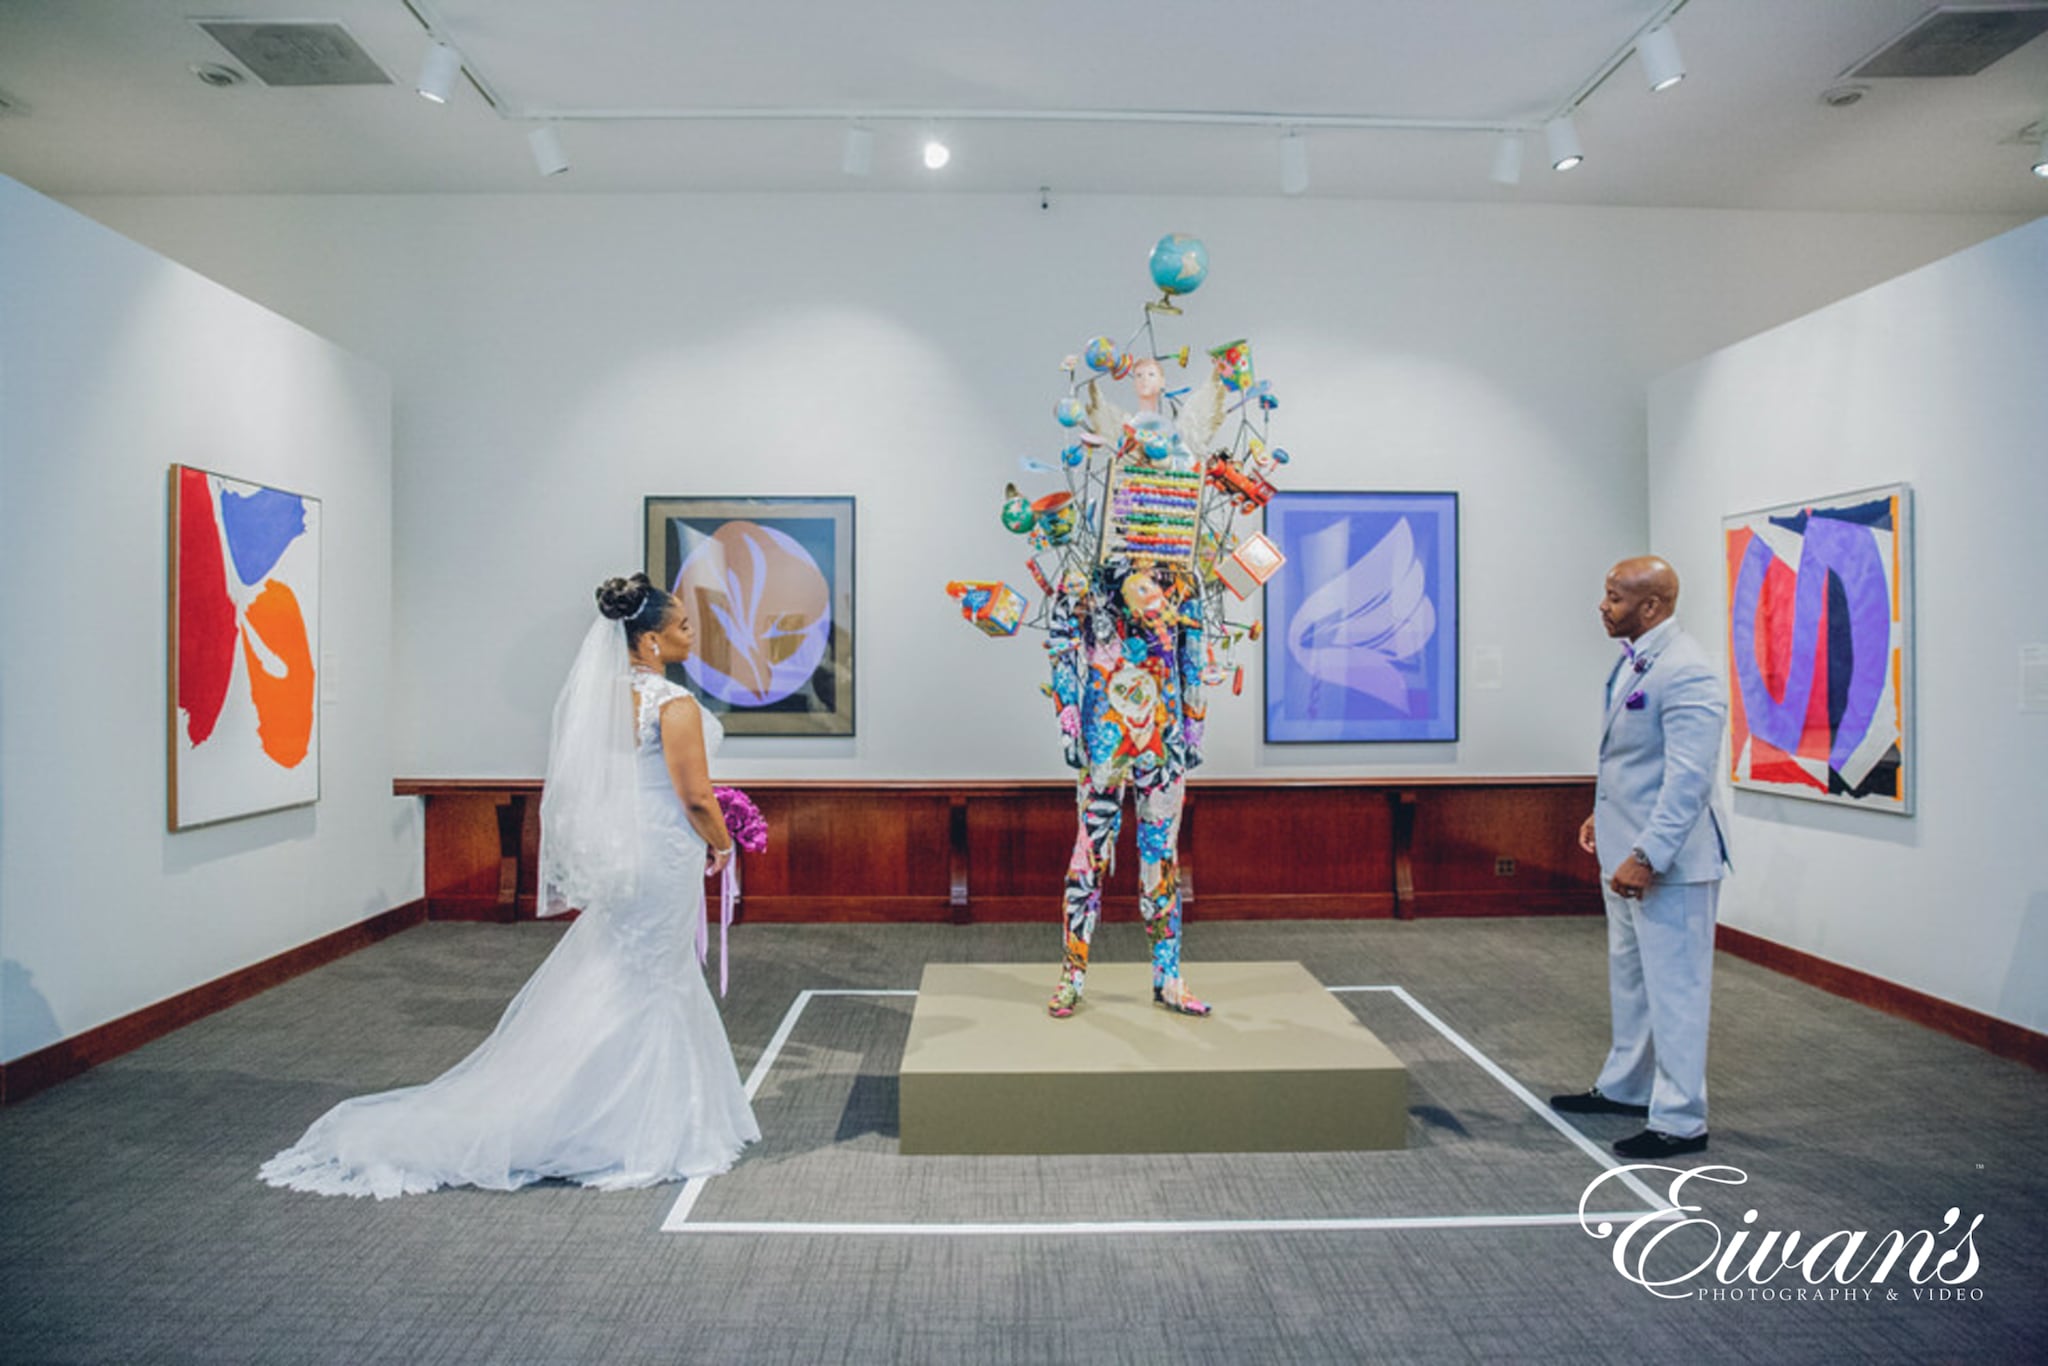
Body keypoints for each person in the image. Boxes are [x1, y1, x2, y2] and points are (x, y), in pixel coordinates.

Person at [260, 574, 759, 1197]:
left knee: (626, 969)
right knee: (651, 974)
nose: (692, 633)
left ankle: (601, 1101)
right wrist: (722, 840)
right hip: (660, 855)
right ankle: (624, 1124)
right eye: (683, 625)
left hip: (627, 855)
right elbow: (693, 795)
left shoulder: (600, 700)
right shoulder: (674, 706)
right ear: (651, 640)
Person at [1551, 556, 1731, 1160]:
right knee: (1631, 979)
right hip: (1623, 850)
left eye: (1614, 597)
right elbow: (1634, 762)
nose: (1602, 606)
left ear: (1651, 607)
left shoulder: (1688, 672)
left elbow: (1688, 781)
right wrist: (1604, 816)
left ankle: (1680, 1118)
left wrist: (1648, 855)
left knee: (1676, 990)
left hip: (1669, 865)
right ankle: (1627, 1086)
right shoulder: (1637, 660)